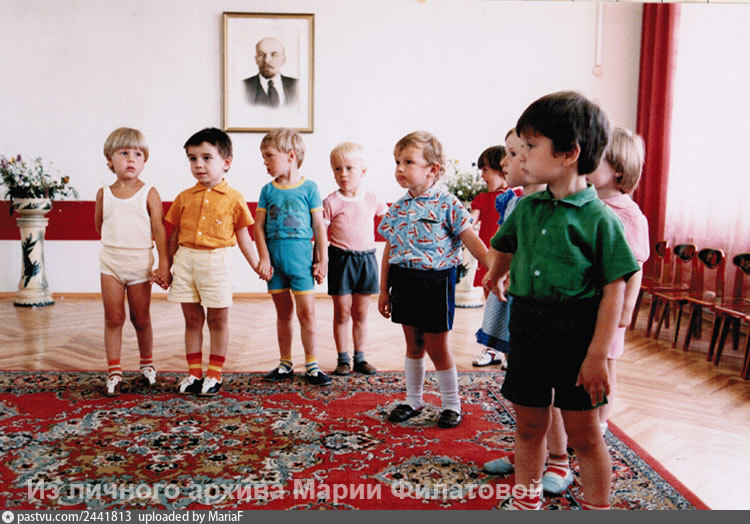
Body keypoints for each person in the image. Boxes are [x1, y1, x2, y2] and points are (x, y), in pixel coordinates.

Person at [484, 92, 639, 510]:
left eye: (531, 146)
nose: (521, 155)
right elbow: (505, 244)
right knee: (528, 426)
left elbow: (614, 288)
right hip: (528, 329)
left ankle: (597, 508)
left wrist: (597, 356)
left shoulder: (601, 219)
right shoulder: (526, 208)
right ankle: (526, 501)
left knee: (584, 435)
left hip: (576, 335)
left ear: (569, 153)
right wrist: (496, 273)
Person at [378, 131, 489, 429]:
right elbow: (389, 249)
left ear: (433, 169)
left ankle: (452, 404)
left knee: (437, 347)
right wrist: (383, 290)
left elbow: (470, 238)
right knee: (413, 344)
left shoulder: (447, 203)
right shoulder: (397, 208)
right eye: (397, 162)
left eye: (408, 162)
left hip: (435, 283)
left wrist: (493, 266)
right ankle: (413, 399)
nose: (400, 168)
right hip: (403, 281)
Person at [166, 127, 264, 396]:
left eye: (206, 158)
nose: (199, 164)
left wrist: (257, 264)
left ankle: (214, 373)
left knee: (218, 320)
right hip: (186, 261)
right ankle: (194, 372)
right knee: (192, 320)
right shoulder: (184, 198)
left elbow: (243, 236)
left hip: (217, 263)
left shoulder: (234, 198)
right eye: (192, 158)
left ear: (226, 162)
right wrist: (165, 266)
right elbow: (173, 235)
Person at [95, 127, 170, 397]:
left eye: (137, 154)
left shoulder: (149, 192)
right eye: (123, 153)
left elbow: (159, 229)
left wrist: (164, 264)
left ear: (144, 160)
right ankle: (114, 371)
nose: (131, 159)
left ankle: (147, 364)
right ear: (109, 159)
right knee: (114, 317)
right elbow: (99, 225)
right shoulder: (104, 193)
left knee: (141, 318)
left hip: (139, 265)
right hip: (111, 265)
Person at [255, 128, 332, 386]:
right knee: (283, 313)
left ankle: (312, 365)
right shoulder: (267, 190)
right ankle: (285, 363)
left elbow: (319, 227)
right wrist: (264, 259)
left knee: (307, 313)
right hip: (275, 264)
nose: (265, 162)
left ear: (290, 155)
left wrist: (322, 260)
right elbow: (258, 228)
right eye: (263, 157)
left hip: (301, 263)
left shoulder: (309, 188)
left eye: (269, 156)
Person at [473, 132, 541, 371]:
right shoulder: (511, 202)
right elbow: (499, 243)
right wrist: (495, 270)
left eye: (511, 154)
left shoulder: (542, 206)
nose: (504, 162)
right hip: (505, 281)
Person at [323, 142, 388, 376]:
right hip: (340, 261)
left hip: (366, 260)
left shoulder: (372, 199)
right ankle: (343, 359)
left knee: (360, 313)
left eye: (349, 168)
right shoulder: (331, 202)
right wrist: (319, 261)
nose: (343, 174)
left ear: (363, 171)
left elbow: (391, 222)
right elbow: (321, 234)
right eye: (337, 169)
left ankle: (360, 358)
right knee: (342, 312)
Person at [470, 144, 511, 368]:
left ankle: (508, 351)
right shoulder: (483, 198)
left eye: (486, 170)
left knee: (507, 305)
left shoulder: (516, 197)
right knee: (491, 306)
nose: (482, 176)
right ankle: (491, 349)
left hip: (508, 262)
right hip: (487, 259)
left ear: (501, 169)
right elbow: (470, 222)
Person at [244, 37, 298, 107]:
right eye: (261, 55)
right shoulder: (242, 88)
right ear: (256, 59)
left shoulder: (297, 86)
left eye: (274, 55)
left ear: (283, 59)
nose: (267, 60)